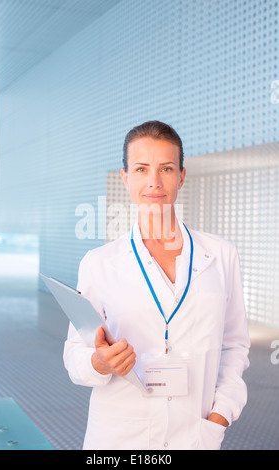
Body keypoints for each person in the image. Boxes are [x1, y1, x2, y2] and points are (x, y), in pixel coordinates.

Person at [63, 120, 250, 450]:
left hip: (195, 433)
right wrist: (99, 363)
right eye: (140, 169)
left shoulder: (220, 255)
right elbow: (76, 353)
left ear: (181, 176)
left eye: (166, 168)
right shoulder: (99, 263)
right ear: (125, 178)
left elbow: (235, 345)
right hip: (119, 438)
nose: (154, 182)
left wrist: (221, 415)